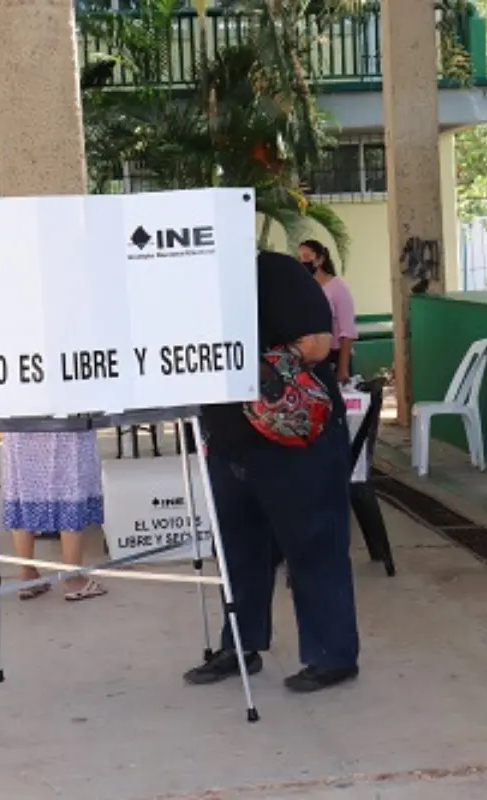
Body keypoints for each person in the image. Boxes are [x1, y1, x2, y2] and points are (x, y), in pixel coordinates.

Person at [183, 250, 359, 694]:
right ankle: (239, 646)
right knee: (237, 552)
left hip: (296, 441)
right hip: (229, 442)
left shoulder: (274, 272)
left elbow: (320, 342)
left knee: (314, 547)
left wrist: (262, 368)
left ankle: (331, 656)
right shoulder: (188, 287)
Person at [2, 431, 107, 602]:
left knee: (24, 491)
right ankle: (73, 579)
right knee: (69, 488)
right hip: (65, 422)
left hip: (22, 421)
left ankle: (28, 575)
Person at [297, 239, 358, 385]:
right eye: (299, 258)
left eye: (306, 257)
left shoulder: (338, 287)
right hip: (311, 357)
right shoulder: (305, 288)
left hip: (334, 355)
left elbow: (347, 331)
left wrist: (342, 368)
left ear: (320, 259)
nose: (302, 262)